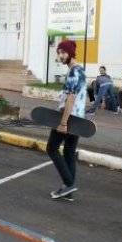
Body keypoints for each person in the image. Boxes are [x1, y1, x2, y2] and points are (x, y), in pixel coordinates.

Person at [47, 40, 87, 202]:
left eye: (63, 52)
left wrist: (63, 122)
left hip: (68, 118)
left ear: (70, 53)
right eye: (59, 52)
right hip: (78, 118)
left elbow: (71, 98)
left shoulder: (72, 72)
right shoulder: (81, 70)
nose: (60, 55)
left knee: (52, 148)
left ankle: (69, 183)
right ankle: (68, 191)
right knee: (69, 152)